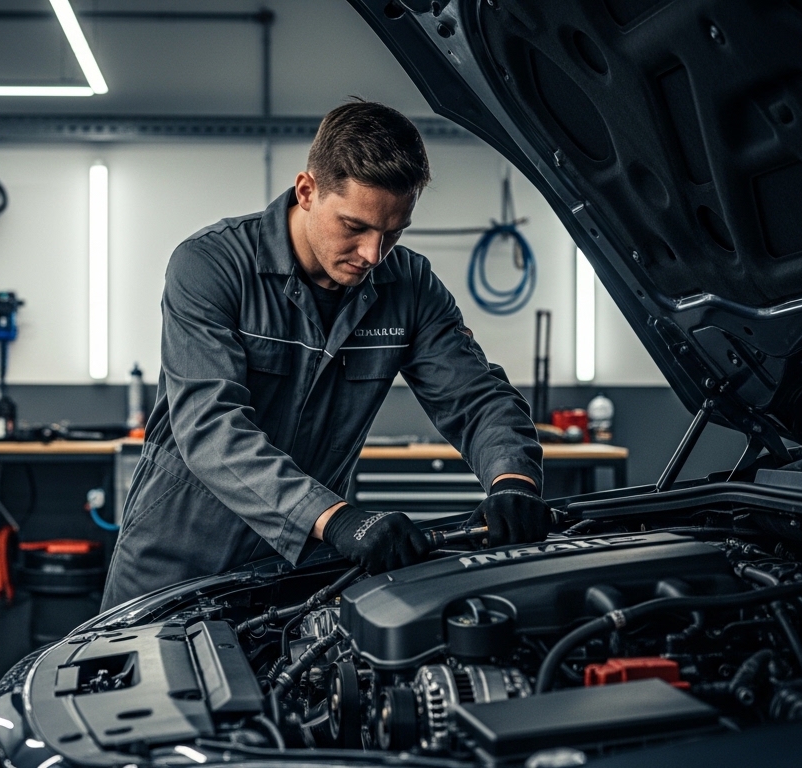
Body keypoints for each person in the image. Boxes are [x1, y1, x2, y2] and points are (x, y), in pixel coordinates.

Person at [101, 100, 549, 610]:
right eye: (355, 227)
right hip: (176, 559)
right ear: (307, 191)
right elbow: (210, 426)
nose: (373, 255)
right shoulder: (210, 265)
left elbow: (475, 395)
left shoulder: (409, 284)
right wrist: (335, 517)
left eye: (394, 232)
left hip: (298, 565)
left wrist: (512, 478)